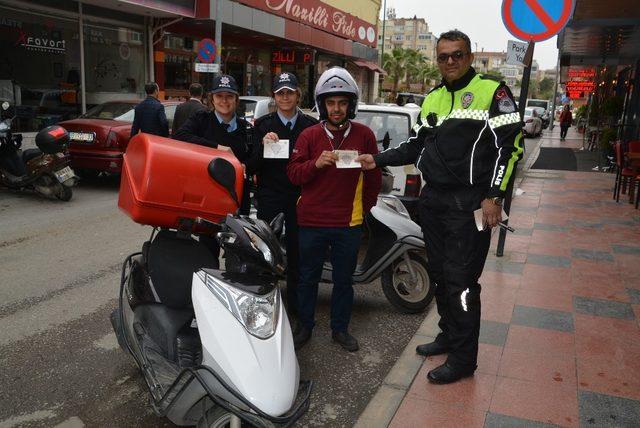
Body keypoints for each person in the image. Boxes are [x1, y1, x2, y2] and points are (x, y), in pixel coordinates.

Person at [358, 29, 523, 383]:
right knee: (441, 274)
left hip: (473, 202)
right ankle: (449, 335)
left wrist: (494, 196)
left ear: (469, 57)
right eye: (443, 56)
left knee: (462, 282)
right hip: (433, 201)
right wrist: (376, 159)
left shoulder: (493, 92)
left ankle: (464, 358)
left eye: (457, 55)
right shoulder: (432, 98)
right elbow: (415, 145)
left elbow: (511, 148)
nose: (450, 61)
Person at [287, 67, 381, 352]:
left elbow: (374, 178)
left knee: (343, 280)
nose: (336, 108)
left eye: (342, 102)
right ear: (322, 104)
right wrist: (315, 164)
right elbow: (293, 174)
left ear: (350, 104)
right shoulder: (308, 135)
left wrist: (363, 211)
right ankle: (305, 326)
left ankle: (340, 329)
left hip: (347, 223)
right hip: (311, 222)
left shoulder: (364, 135)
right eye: (331, 102)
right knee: (307, 278)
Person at [245, 72, 318, 319]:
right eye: (280, 93)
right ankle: (266, 303)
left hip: (300, 198)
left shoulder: (310, 126)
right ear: (274, 97)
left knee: (299, 252)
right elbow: (251, 166)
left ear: (298, 94)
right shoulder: (263, 125)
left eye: (290, 92)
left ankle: (296, 307)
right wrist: (264, 146)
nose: (285, 97)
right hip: (271, 197)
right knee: (267, 250)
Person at [173, 74, 252, 261]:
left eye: (229, 96)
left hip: (237, 202)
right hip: (209, 200)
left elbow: (254, 159)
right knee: (207, 257)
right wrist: (217, 148)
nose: (224, 101)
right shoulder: (202, 120)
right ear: (212, 99)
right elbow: (180, 137)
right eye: (219, 96)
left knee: (238, 259)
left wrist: (246, 165)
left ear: (236, 99)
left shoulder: (246, 128)